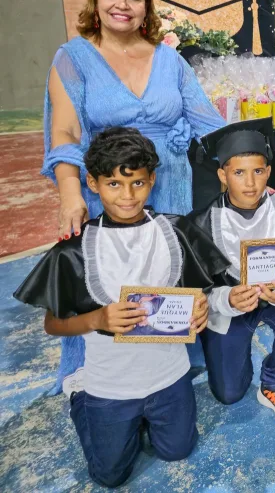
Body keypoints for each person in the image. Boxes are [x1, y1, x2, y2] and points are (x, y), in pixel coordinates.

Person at [43, 0, 226, 389]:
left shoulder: (171, 60)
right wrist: (71, 193)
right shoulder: (72, 58)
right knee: (110, 279)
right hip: (110, 186)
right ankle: (100, 377)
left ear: (147, 8)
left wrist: (241, 166)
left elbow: (209, 124)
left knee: (168, 268)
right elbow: (65, 130)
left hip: (169, 186)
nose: (121, 4)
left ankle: (168, 369)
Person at [13, 127, 227, 488]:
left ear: (152, 180)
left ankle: (146, 418)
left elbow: (198, 290)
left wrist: (201, 306)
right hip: (110, 384)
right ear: (93, 184)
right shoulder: (75, 251)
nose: (127, 196)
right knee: (109, 476)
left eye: (138, 184)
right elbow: (53, 324)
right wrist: (97, 318)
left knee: (178, 449)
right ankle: (80, 396)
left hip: (168, 375)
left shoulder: (176, 232)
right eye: (114, 184)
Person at [187, 118, 275, 429]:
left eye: (258, 171)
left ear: (268, 172)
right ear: (222, 174)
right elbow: (196, 289)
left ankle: (274, 382)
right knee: (230, 393)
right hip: (230, 308)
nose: (250, 183)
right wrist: (227, 297)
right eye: (238, 173)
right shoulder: (201, 225)